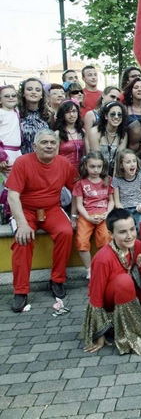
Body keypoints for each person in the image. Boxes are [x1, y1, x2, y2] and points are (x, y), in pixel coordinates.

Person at [81, 208, 141, 355]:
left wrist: (140, 267)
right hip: (110, 303)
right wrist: (99, 334)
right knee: (124, 281)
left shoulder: (137, 245)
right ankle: (123, 329)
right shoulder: (103, 259)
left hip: (132, 293)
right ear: (111, 234)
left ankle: (139, 316)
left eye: (132, 229)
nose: (129, 236)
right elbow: (96, 295)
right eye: (122, 232)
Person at [7, 130, 77, 312]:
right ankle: (20, 291)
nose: (49, 146)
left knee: (66, 232)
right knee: (23, 240)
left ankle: (57, 279)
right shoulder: (22, 162)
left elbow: (77, 189)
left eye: (53, 143)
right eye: (44, 142)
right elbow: (13, 196)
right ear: (34, 146)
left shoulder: (64, 164)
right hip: (25, 210)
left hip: (52, 209)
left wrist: (77, 215)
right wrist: (22, 223)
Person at [73, 152, 114, 279]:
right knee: (81, 241)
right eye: (92, 166)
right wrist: (88, 217)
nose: (96, 170)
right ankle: (89, 270)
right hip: (87, 215)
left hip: (103, 215)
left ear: (103, 167)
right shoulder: (81, 183)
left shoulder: (107, 180)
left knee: (106, 238)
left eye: (98, 167)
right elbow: (79, 204)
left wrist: (107, 213)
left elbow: (111, 200)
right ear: (86, 165)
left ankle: (105, 267)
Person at [112, 149, 141, 233]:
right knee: (125, 227)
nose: (132, 164)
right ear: (121, 165)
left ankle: (138, 245)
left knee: (140, 227)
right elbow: (117, 202)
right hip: (124, 210)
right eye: (128, 162)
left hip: (139, 209)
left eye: (134, 161)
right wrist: (124, 212)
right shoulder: (117, 180)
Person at [88, 101, 128, 177]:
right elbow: (97, 158)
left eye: (119, 115)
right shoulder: (95, 132)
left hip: (115, 173)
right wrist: (105, 179)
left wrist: (113, 181)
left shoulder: (124, 134)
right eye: (113, 114)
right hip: (96, 172)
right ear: (106, 116)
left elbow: (119, 160)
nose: (116, 117)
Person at [18, 78, 53, 154]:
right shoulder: (16, 114)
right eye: (29, 89)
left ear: (41, 95)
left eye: (37, 90)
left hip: (42, 158)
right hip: (21, 159)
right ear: (23, 93)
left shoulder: (48, 114)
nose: (34, 92)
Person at [54, 100, 87, 171]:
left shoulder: (82, 132)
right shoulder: (57, 134)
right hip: (63, 171)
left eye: (74, 111)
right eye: (68, 112)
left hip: (80, 171)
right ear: (62, 114)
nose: (72, 115)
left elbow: (86, 154)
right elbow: (55, 158)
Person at [0, 85, 22, 179]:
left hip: (18, 152)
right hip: (6, 153)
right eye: (6, 96)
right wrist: (1, 156)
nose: (11, 97)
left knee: (20, 181)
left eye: (13, 95)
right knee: (11, 183)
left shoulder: (16, 111)